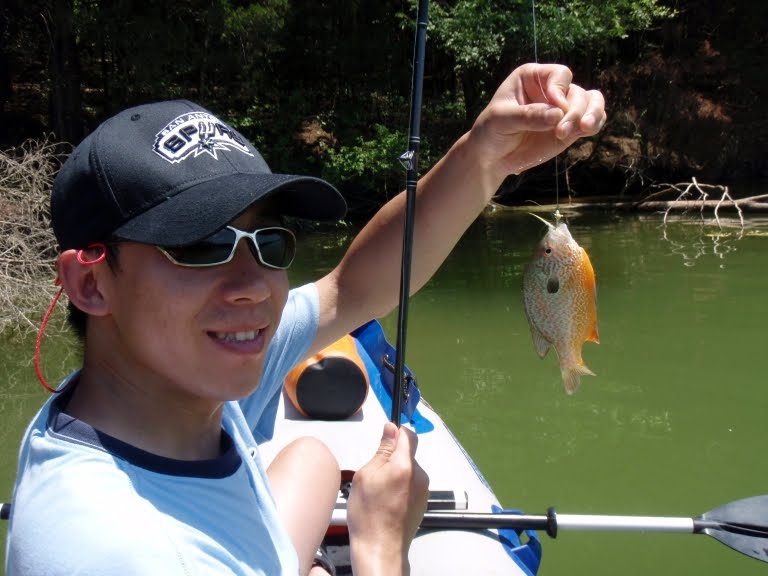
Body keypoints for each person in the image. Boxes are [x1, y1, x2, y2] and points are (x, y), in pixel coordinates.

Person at [4, 63, 605, 575]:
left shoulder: (173, 383)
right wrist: (379, 550)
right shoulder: (122, 552)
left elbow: (352, 288)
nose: (251, 286)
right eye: (198, 247)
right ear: (90, 283)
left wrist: (484, 155)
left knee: (313, 458)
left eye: (268, 242)